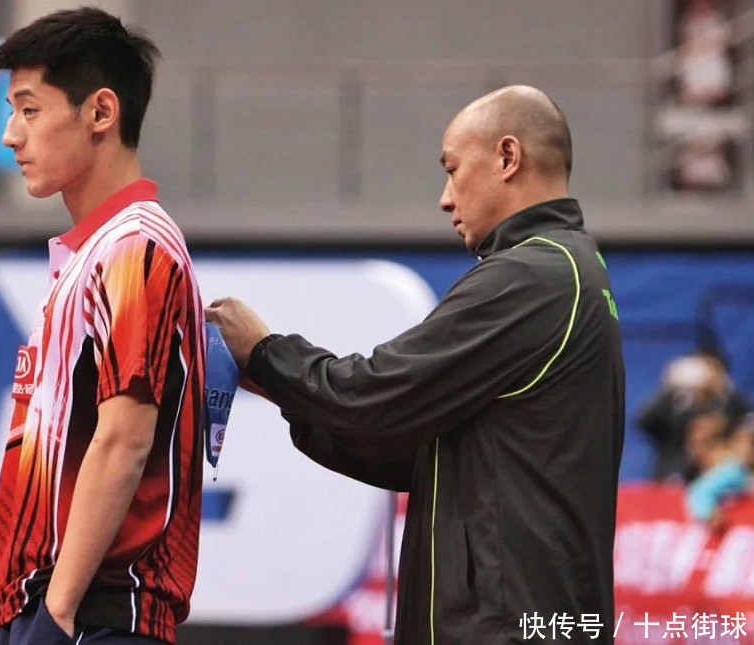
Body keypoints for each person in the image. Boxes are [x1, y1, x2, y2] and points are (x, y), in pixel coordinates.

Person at [207, 86, 625, 643]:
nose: (445, 199)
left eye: (453, 170)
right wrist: (280, 386)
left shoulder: (532, 275)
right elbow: (419, 452)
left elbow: (372, 397)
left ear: (507, 157)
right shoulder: (570, 269)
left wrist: (265, 351)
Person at [0, 8, 205, 645]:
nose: (10, 137)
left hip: (93, 613)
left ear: (101, 112)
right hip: (24, 601)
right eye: (11, 112)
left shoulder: (136, 248)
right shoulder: (92, 255)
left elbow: (124, 442)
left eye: (30, 110)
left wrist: (59, 612)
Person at [638, 352, 751, 481]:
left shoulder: (731, 405)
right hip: (673, 475)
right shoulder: (677, 407)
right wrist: (669, 389)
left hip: (714, 473)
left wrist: (724, 390)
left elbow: (744, 424)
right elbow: (643, 422)